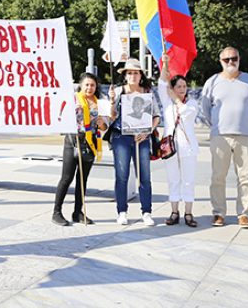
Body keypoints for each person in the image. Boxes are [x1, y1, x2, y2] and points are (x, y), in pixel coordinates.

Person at [200, 47, 248, 228]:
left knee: (245, 177)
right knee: (218, 176)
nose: (230, 62)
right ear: (220, 61)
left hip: (245, 136)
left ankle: (244, 214)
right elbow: (205, 108)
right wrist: (217, 125)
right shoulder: (212, 82)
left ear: (239, 58)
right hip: (221, 136)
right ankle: (218, 213)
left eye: (233, 58)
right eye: (226, 60)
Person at [107, 58, 160, 226]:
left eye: (135, 73)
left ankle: (146, 211)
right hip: (121, 137)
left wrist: (147, 131)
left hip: (141, 137)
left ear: (140, 75)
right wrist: (110, 101)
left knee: (144, 175)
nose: (132, 76)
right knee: (121, 175)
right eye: (129, 73)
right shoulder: (118, 92)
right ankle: (122, 211)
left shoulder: (147, 93)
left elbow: (156, 116)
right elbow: (111, 117)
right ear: (125, 76)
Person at [52, 73, 107, 226]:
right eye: (87, 85)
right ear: (81, 86)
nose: (89, 88)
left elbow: (104, 127)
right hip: (73, 141)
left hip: (90, 143)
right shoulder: (73, 99)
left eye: (92, 85)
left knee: (82, 180)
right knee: (66, 178)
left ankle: (78, 212)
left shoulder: (99, 103)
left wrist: (102, 122)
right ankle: (56, 212)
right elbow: (61, 115)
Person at [156, 55, 199, 227]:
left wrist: (175, 98)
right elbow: (161, 83)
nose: (182, 89)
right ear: (172, 88)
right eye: (178, 86)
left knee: (188, 180)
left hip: (188, 148)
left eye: (184, 86)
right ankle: (174, 211)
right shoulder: (167, 103)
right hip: (170, 147)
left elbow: (185, 112)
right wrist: (165, 64)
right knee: (173, 179)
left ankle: (189, 212)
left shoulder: (192, 103)